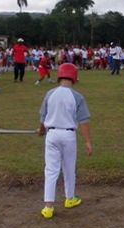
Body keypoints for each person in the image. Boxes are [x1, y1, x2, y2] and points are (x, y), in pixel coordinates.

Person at [38, 63, 93, 219]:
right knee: (69, 168)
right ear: (74, 77)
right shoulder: (77, 97)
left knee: (50, 170)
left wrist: (42, 130)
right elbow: (83, 121)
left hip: (52, 135)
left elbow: (43, 117)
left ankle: (48, 207)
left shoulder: (50, 94)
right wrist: (88, 142)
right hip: (68, 135)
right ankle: (70, 199)